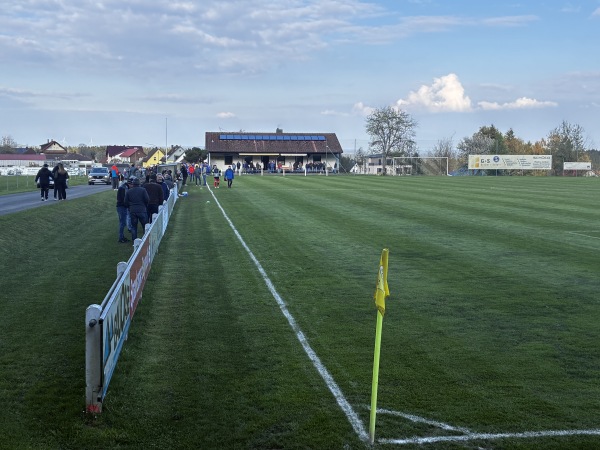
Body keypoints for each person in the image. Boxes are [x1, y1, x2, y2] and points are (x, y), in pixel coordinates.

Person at [116, 178, 133, 243]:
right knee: (122, 223)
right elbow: (124, 199)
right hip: (122, 207)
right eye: (132, 185)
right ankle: (121, 238)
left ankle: (122, 236)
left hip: (121, 206)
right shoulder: (124, 189)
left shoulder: (123, 187)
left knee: (122, 222)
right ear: (130, 184)